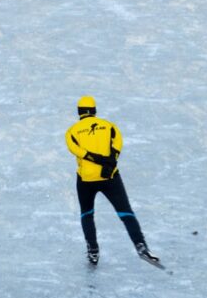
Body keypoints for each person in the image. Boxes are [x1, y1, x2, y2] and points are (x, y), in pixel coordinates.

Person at [65, 96, 162, 268]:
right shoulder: (109, 126)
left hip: (86, 180)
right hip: (110, 177)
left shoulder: (72, 131)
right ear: (94, 110)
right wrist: (110, 161)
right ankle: (141, 246)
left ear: (79, 112)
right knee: (126, 213)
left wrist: (95, 159)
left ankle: (93, 250)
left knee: (87, 214)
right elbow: (118, 143)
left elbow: (77, 151)